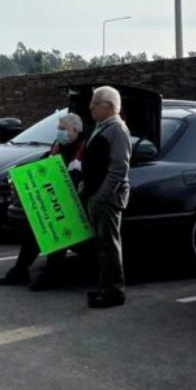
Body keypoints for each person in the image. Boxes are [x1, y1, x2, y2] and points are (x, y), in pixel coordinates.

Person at [0, 112, 86, 290]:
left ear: (75, 131)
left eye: (63, 129)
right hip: (51, 198)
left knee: (58, 236)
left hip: (71, 204)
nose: (59, 132)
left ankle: (51, 276)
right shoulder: (57, 146)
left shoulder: (83, 149)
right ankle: (20, 271)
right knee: (32, 234)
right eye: (58, 128)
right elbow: (42, 165)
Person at [81, 86, 131, 309]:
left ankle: (114, 292)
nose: (90, 107)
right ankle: (104, 288)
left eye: (95, 103)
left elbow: (119, 168)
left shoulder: (117, 129)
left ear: (109, 106)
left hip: (108, 198)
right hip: (97, 194)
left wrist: (101, 195)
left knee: (109, 244)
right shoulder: (102, 127)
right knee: (102, 244)